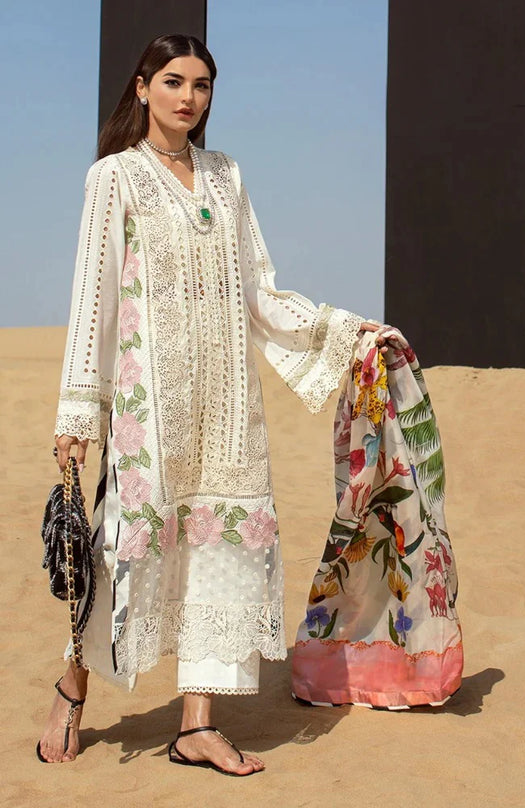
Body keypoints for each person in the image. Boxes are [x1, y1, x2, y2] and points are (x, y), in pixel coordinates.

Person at [37, 33, 384, 774]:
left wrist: (345, 332)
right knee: (123, 554)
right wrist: (77, 414)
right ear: (141, 89)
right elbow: (92, 298)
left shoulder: (226, 177)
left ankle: (197, 724)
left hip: (226, 406)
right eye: (172, 81)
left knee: (218, 550)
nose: (188, 97)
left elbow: (256, 289)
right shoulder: (115, 178)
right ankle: (74, 684)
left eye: (201, 85)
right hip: (146, 408)